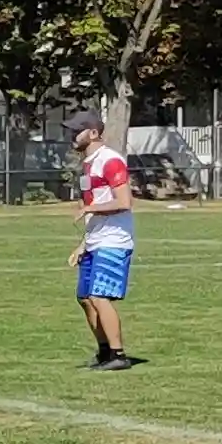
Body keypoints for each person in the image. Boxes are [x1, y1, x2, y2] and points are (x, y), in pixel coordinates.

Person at [75, 123, 139, 368]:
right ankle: (104, 353)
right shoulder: (88, 164)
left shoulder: (110, 160)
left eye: (76, 131)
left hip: (114, 240)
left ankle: (118, 355)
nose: (71, 136)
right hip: (95, 239)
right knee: (84, 298)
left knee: (99, 296)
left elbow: (124, 201)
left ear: (93, 133)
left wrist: (89, 208)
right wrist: (83, 243)